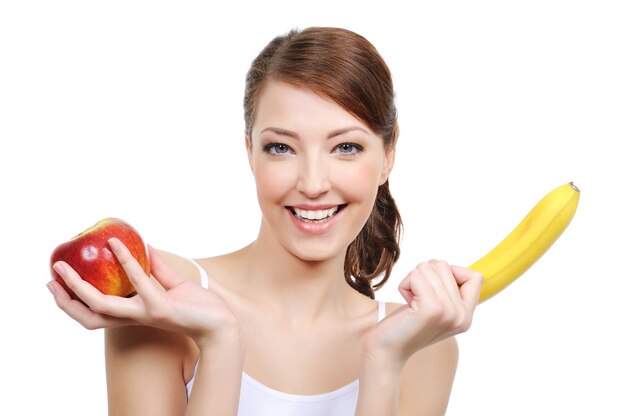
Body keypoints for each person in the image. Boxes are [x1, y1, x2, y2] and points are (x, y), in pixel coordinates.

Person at [47, 27, 483, 415]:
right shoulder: (162, 295)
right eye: (281, 148)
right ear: (249, 152)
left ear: (388, 156)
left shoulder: (424, 346)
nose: (313, 183)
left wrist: (384, 359)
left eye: (346, 147)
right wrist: (220, 343)